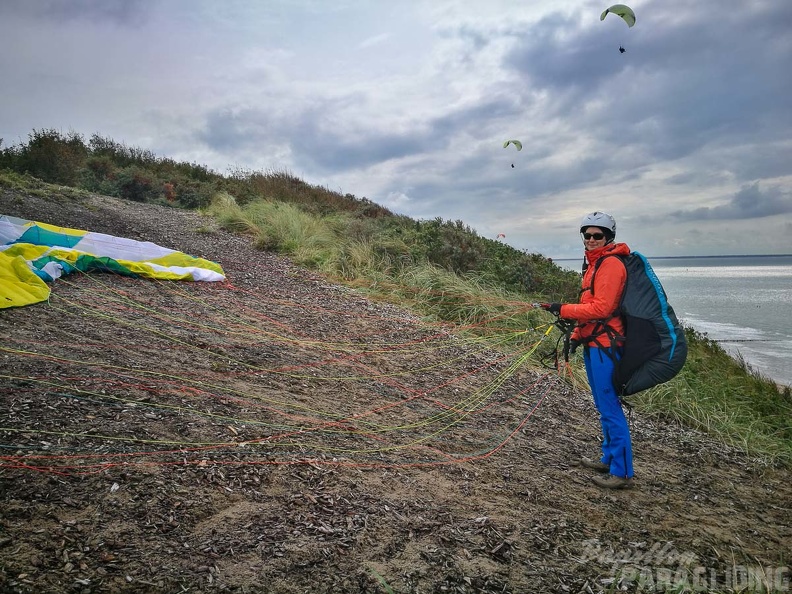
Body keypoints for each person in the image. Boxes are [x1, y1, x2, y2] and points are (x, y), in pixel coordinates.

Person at [539, 212, 634, 489]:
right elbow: (591, 305)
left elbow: (602, 308)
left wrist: (562, 309)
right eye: (587, 235)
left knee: (610, 407)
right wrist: (578, 335)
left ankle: (623, 473)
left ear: (609, 237)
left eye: (598, 235)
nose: (591, 240)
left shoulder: (611, 265)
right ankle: (608, 458)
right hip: (595, 341)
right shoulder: (594, 264)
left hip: (608, 346)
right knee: (603, 406)